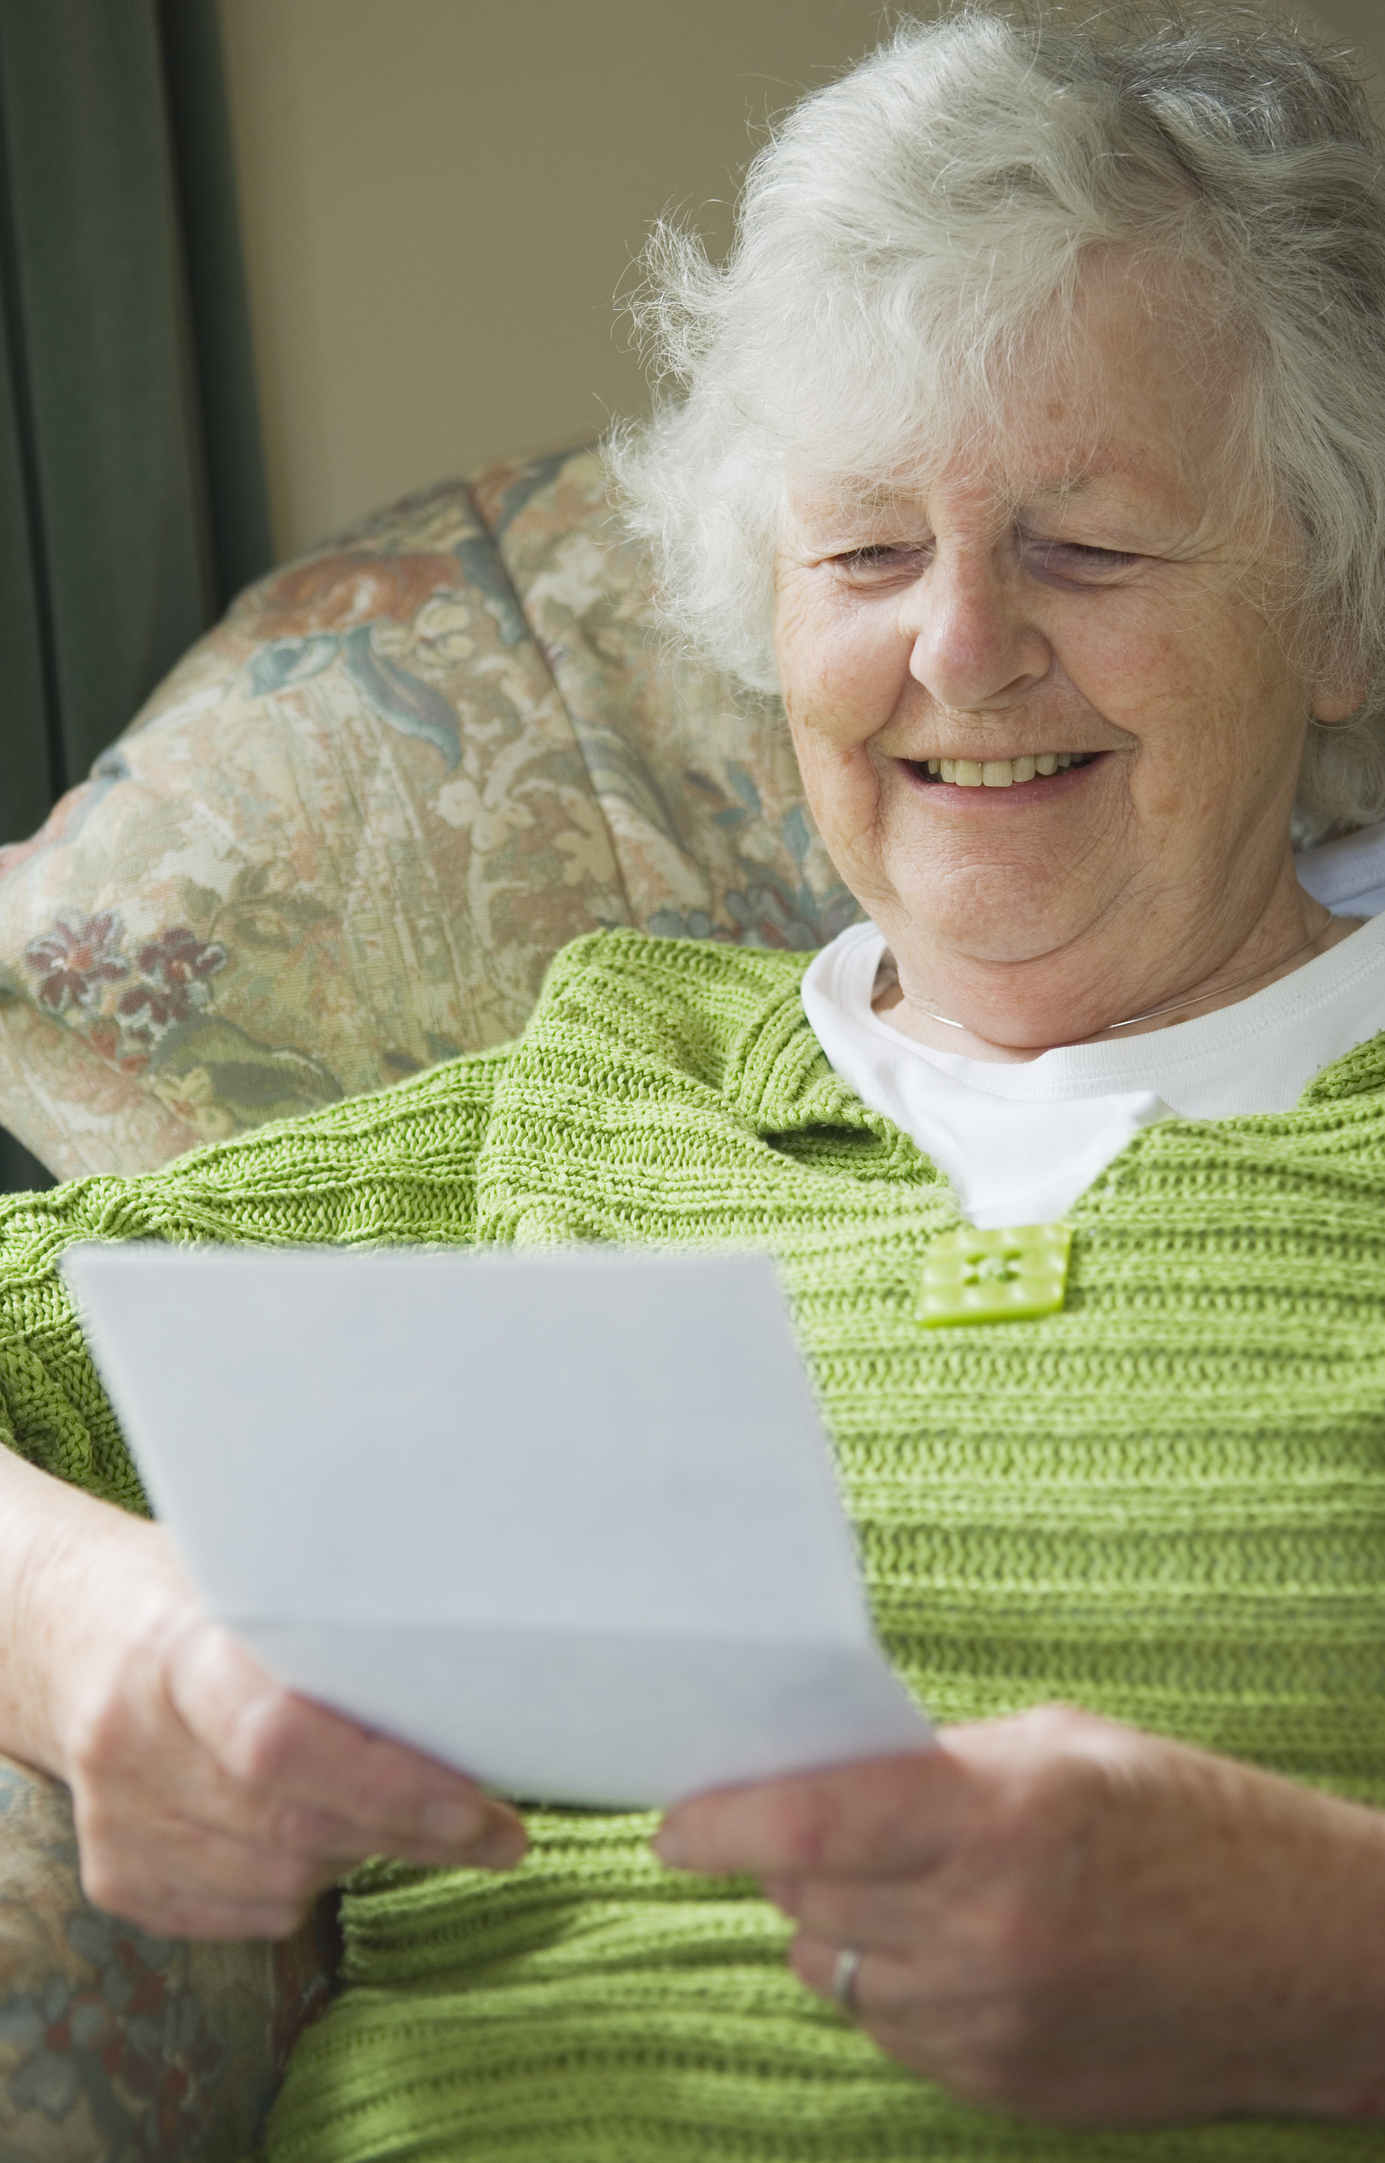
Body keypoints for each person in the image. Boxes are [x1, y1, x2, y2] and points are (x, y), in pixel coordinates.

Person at [5, 6, 1385, 2158]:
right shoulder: (595, 1093)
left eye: (1089, 544)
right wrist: (103, 1630)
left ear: (1343, 611)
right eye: (863, 553)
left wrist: (1331, 1963)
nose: (958, 649)